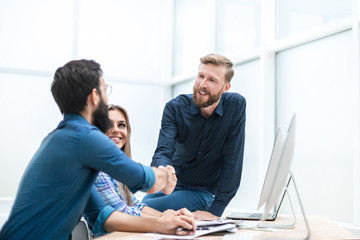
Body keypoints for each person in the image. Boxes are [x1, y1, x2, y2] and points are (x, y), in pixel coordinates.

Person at [0, 59, 190, 239]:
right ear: (94, 96)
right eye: (105, 90)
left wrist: (163, 221)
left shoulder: (59, 139)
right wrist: (166, 174)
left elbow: (99, 213)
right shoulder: (85, 137)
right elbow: (144, 180)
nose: (107, 98)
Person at [143, 53, 246, 220]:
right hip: (173, 187)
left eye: (212, 80)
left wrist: (215, 211)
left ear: (226, 88)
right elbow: (163, 150)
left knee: (139, 210)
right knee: (136, 207)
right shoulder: (175, 108)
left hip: (203, 192)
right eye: (201, 76)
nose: (202, 84)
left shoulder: (235, 105)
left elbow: (233, 160)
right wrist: (163, 171)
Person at [83, 104, 195, 236]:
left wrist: (174, 218)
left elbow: (136, 205)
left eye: (121, 125)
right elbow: (122, 211)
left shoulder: (117, 170)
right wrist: (165, 220)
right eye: (108, 124)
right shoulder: (97, 168)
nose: (116, 130)